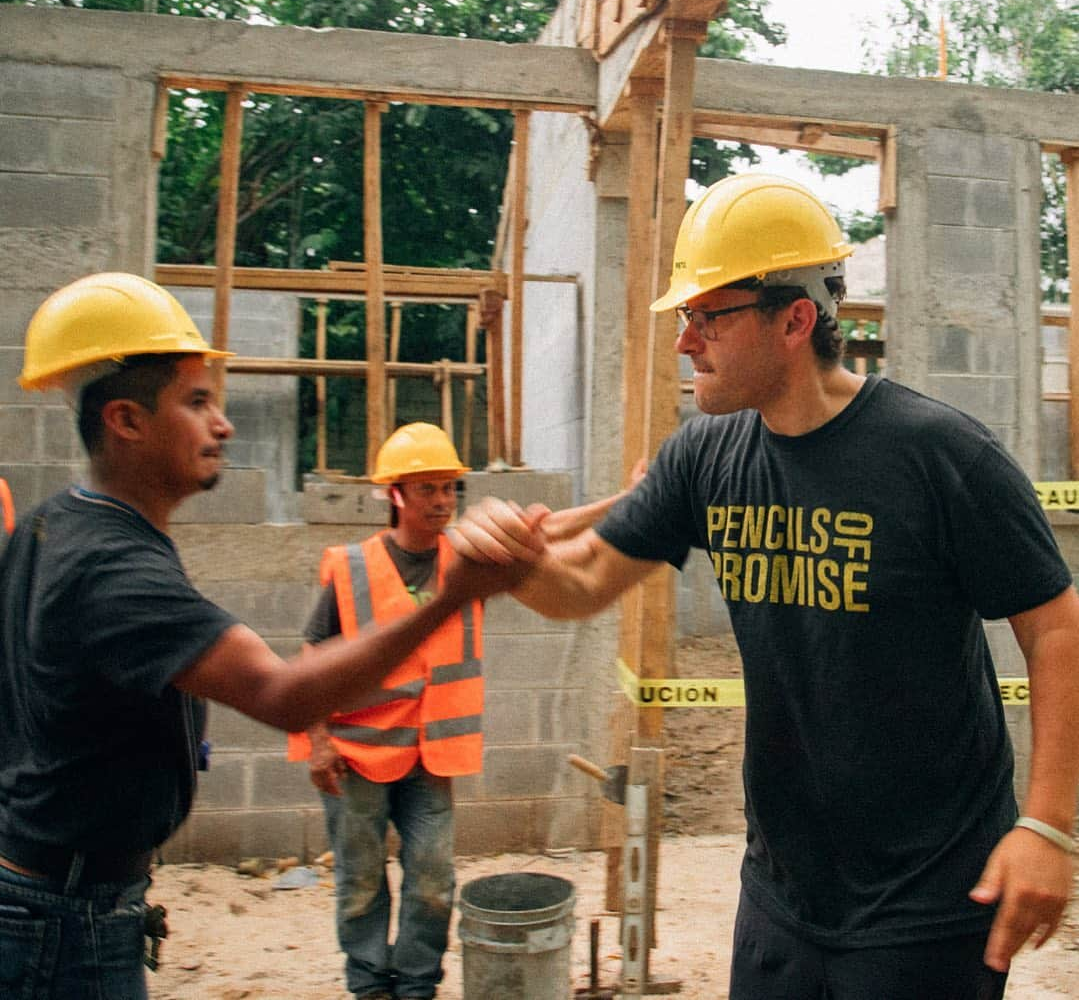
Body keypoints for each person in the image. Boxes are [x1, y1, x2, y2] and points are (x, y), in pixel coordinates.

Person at [448, 173, 1079, 1000]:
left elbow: (1056, 626)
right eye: (685, 318)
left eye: (707, 317)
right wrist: (511, 565)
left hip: (929, 895)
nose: (685, 341)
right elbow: (586, 581)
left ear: (795, 318)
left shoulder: (939, 454)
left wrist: (1046, 826)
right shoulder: (703, 457)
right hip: (783, 890)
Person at [0, 272, 522, 1000]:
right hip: (65, 915)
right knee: (365, 882)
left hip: (56, 892)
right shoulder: (113, 568)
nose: (225, 424)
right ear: (126, 420)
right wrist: (451, 597)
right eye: (197, 401)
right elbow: (280, 691)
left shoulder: (50, 524)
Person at [290, 426, 645, 1000]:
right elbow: (311, 656)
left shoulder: (467, 556)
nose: (440, 500)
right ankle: (369, 987)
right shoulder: (351, 566)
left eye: (449, 488)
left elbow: (546, 530)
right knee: (359, 883)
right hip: (357, 755)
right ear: (395, 495)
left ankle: (415, 987)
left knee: (432, 880)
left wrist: (628, 500)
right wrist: (318, 742)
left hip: (431, 755)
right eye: (426, 489)